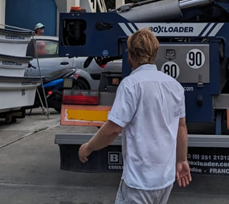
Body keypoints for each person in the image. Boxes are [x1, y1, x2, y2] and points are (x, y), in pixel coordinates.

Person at [78, 28, 191, 203]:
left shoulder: (130, 85)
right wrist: (182, 160)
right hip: (165, 180)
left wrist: (88, 147)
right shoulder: (174, 85)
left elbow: (113, 129)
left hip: (139, 181)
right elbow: (181, 127)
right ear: (155, 53)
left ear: (130, 55)